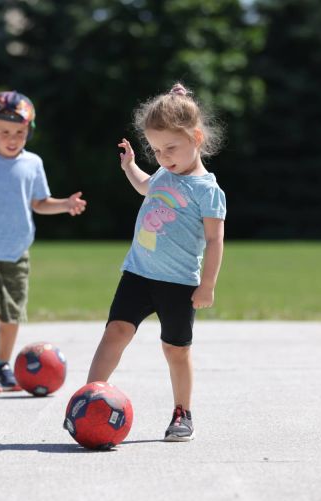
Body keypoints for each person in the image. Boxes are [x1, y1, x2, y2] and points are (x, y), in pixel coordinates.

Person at [85, 83, 226, 441]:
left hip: (178, 282)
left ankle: (182, 413)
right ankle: (88, 398)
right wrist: (131, 166)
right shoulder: (165, 172)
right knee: (115, 332)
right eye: (156, 149)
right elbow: (147, 186)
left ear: (195, 137)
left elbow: (214, 240)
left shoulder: (208, 191)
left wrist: (207, 284)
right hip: (138, 272)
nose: (163, 157)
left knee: (175, 350)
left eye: (171, 148)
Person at [0, 90, 86, 394]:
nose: (12, 138)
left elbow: (39, 202)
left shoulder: (32, 163)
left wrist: (64, 204)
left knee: (12, 313)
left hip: (16, 249)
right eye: (5, 132)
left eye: (20, 133)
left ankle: (3, 365)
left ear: (29, 131)